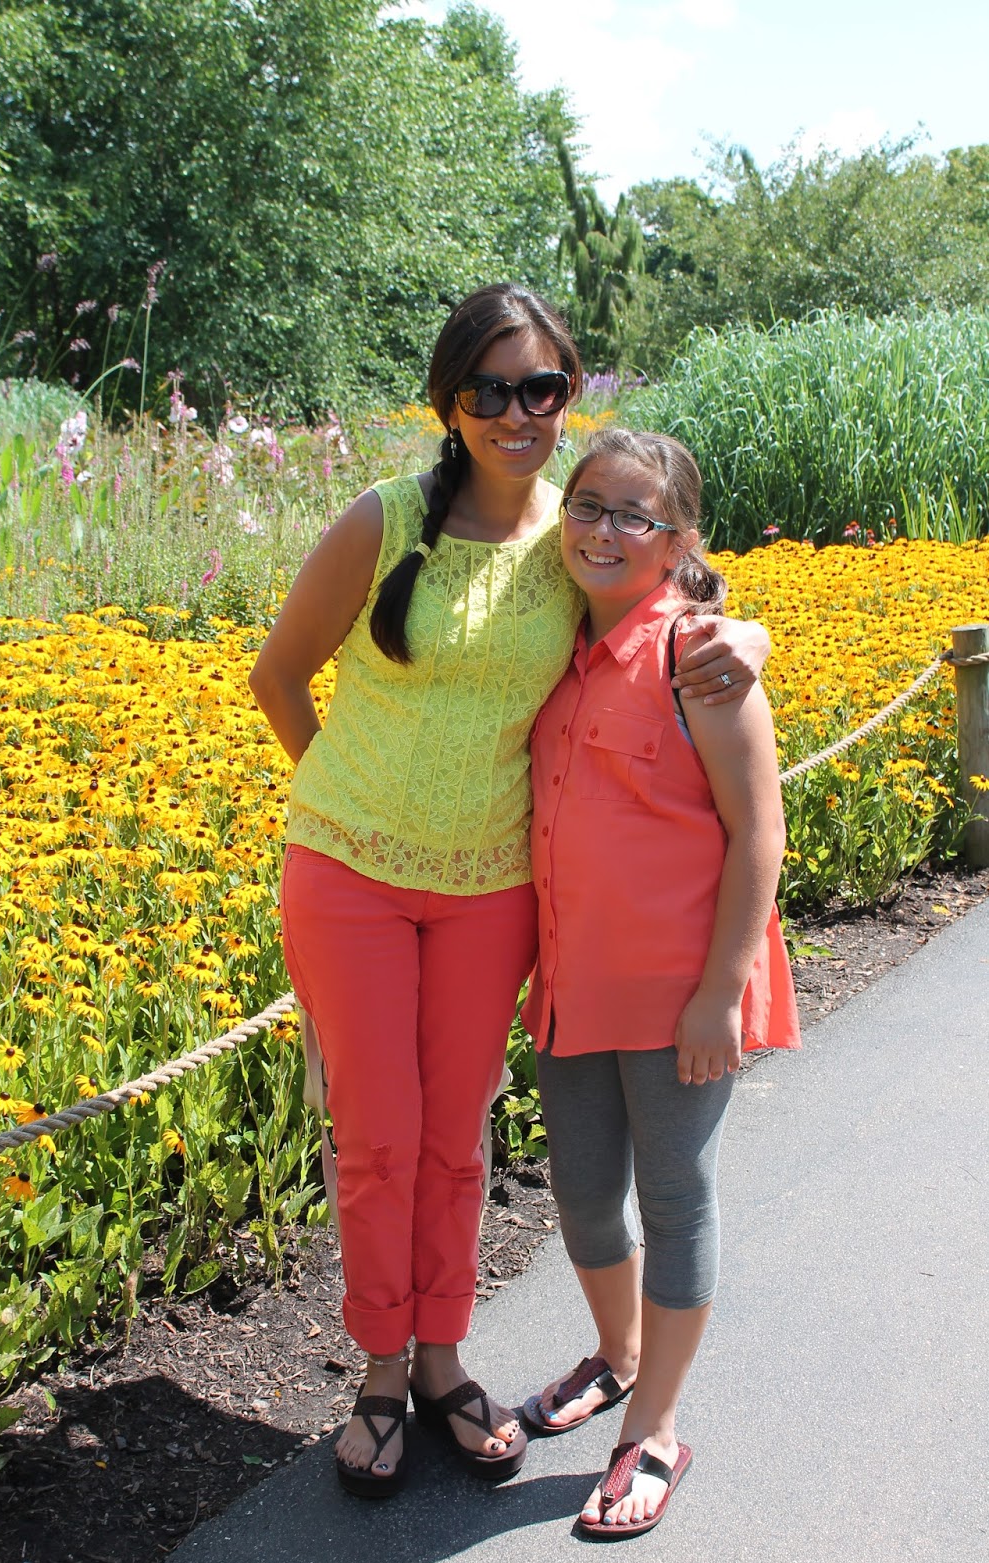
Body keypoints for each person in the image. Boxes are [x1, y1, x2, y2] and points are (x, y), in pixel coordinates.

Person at [248, 286, 771, 1500]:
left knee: (457, 1134)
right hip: (351, 876)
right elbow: (278, 677)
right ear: (449, 401)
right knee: (377, 1133)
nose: (516, 412)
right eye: (489, 389)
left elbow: (666, 590)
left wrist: (743, 634)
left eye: (540, 387)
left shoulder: (568, 536)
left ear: (568, 393)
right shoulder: (384, 521)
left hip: (491, 893)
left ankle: (441, 1358)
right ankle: (381, 1373)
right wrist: (352, 803)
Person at [519, 427, 800, 1537]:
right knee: (584, 1192)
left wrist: (721, 994)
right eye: (586, 504)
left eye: (633, 515)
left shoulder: (703, 660)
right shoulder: (549, 639)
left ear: (678, 539)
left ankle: (657, 1428)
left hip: (683, 990)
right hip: (570, 983)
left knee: (675, 1198)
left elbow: (760, 835)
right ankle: (618, 1351)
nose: (601, 529)